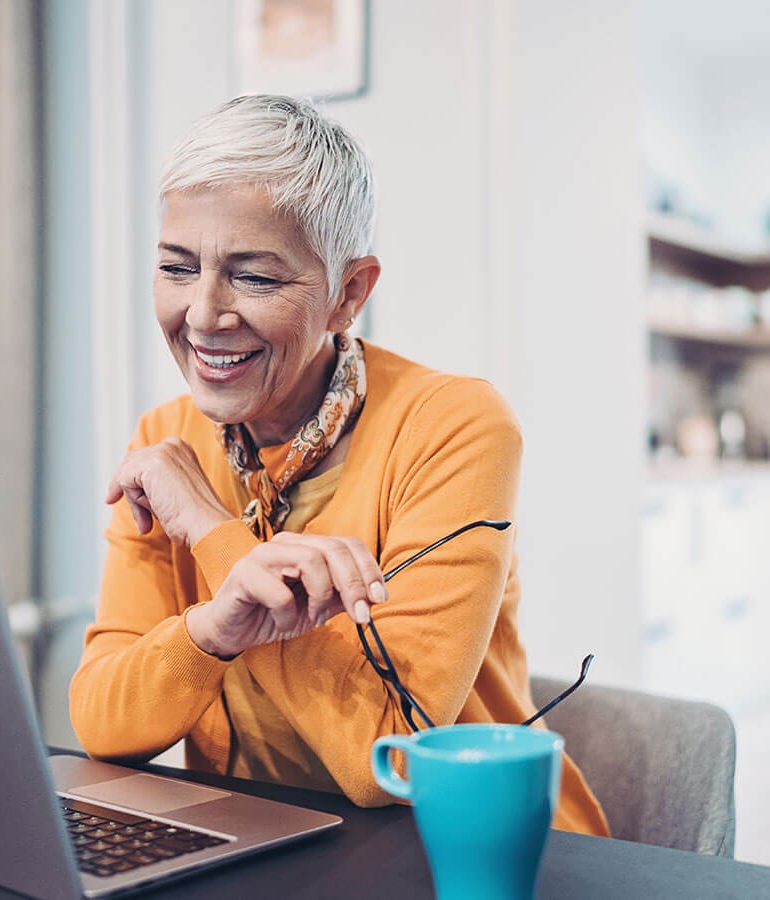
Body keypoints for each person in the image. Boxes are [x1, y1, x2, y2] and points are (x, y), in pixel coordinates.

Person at [69, 94, 609, 836]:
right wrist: (212, 631)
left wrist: (213, 533)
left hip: (475, 853)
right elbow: (103, 720)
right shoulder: (164, 441)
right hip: (269, 850)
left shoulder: (456, 426)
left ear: (348, 294)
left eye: (254, 277)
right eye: (177, 267)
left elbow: (389, 759)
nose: (201, 314)